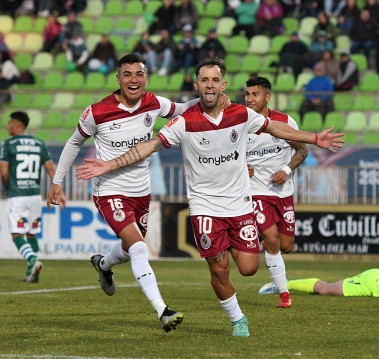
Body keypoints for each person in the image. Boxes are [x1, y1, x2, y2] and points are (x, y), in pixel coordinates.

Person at [72, 57, 343, 336]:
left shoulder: (240, 114)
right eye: (204, 80)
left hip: (239, 205)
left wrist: (313, 138)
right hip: (204, 208)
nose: (209, 85)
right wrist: (109, 164)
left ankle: (109, 263)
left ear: (223, 85)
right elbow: (148, 146)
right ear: (196, 85)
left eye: (215, 80)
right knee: (219, 268)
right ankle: (238, 319)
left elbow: (276, 128)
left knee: (249, 268)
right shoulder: (183, 122)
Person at [46, 53, 209, 333]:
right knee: (138, 247)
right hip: (109, 189)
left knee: (128, 248)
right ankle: (162, 310)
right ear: (118, 78)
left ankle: (103, 264)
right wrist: (57, 181)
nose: (134, 80)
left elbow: (183, 108)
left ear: (146, 78)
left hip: (141, 191)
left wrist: (210, 97)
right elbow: (74, 143)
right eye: (128, 74)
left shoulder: (154, 103)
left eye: (139, 74)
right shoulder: (97, 111)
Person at [244, 76, 309, 309]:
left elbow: (302, 150)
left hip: (283, 191)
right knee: (271, 240)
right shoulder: (241, 122)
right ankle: (284, 293)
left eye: (255, 94)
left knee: (286, 246)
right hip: (257, 191)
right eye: (247, 94)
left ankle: (274, 266)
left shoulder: (284, 120)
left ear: (267, 97)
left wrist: (286, 169)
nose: (250, 99)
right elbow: (229, 154)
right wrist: (242, 167)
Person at [0, 111, 64, 283]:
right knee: (31, 233)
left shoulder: (8, 144)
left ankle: (32, 260)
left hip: (17, 195)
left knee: (16, 233)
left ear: (15, 124)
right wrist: (61, 192)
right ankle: (30, 272)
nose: (7, 126)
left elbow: (4, 171)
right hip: (35, 196)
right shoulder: (38, 143)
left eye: (9, 122)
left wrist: (8, 187)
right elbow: (51, 169)